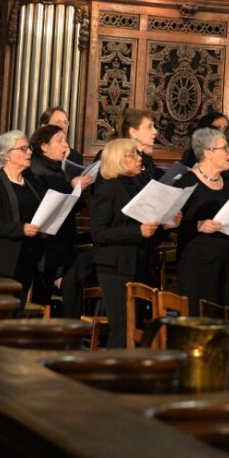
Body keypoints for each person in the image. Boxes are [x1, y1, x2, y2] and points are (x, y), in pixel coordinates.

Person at [90, 138, 170, 348]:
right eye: (133, 154)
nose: (139, 158)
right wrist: (138, 231)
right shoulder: (108, 187)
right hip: (116, 265)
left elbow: (146, 229)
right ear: (118, 159)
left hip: (141, 261)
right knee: (122, 326)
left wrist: (165, 225)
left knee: (138, 325)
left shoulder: (138, 184)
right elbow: (98, 233)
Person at [172, 128, 229, 313]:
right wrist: (198, 225)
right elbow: (169, 224)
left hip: (228, 262)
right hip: (198, 265)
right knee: (200, 320)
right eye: (224, 148)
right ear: (208, 152)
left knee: (227, 321)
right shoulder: (186, 183)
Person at [0, 130, 46, 302]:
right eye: (23, 149)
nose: (30, 152)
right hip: (3, 262)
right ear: (7, 155)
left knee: (18, 315)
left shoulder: (30, 183)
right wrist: (20, 229)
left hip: (27, 258)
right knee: (2, 315)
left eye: (28, 148)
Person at [27, 124, 91, 300]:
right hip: (46, 244)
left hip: (61, 240)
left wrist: (79, 191)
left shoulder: (56, 168)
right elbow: (45, 202)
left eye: (66, 141)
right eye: (60, 141)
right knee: (43, 294)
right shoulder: (36, 169)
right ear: (44, 145)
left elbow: (69, 206)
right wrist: (72, 187)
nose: (66, 146)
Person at [117, 108, 161, 183]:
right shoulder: (119, 158)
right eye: (149, 127)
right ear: (134, 132)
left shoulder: (145, 157)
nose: (155, 131)